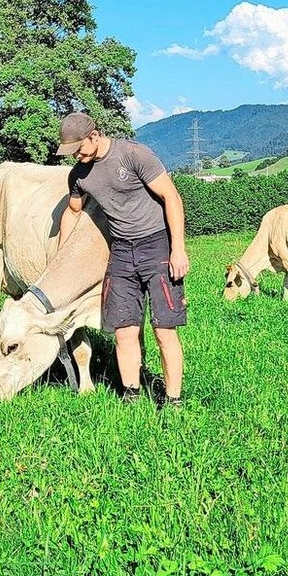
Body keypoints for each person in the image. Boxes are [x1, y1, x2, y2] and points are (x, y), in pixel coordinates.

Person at [54, 111, 189, 406]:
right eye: (71, 151)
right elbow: (72, 212)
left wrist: (178, 248)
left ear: (95, 135)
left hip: (157, 246)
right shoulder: (78, 174)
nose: (76, 155)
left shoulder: (133, 155)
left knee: (164, 330)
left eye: (79, 147)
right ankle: (131, 396)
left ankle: (173, 400)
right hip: (121, 252)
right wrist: (60, 260)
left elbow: (172, 197)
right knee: (124, 331)